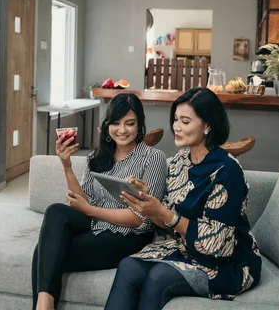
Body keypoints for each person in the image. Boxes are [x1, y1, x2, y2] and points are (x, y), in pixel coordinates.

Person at [105, 87, 262, 310]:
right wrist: (148, 202)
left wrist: (164, 213)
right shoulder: (179, 161)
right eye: (176, 119)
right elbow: (166, 221)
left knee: (159, 275)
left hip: (227, 260)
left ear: (207, 125)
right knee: (129, 266)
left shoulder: (228, 170)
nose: (176, 127)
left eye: (185, 121)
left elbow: (216, 245)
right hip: (184, 249)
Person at [32, 93, 168, 310]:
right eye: (116, 123)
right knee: (56, 212)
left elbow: (140, 219)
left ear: (140, 125)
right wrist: (66, 165)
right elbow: (83, 200)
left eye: (129, 123)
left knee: (43, 252)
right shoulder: (98, 155)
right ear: (107, 125)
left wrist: (91, 210)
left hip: (127, 238)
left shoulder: (153, 157)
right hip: (95, 227)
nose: (122, 130)